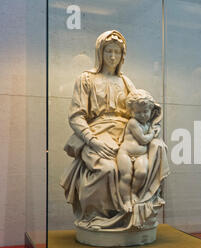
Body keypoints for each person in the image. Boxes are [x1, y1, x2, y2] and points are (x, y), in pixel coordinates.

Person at [60, 30, 170, 231]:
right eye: (108, 51)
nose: (112, 57)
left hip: (128, 134)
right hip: (97, 134)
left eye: (117, 52)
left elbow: (145, 108)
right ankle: (99, 217)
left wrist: (153, 127)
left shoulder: (126, 82)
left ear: (122, 56)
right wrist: (93, 141)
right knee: (108, 169)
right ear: (99, 53)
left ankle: (139, 205)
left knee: (158, 147)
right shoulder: (86, 79)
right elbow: (76, 116)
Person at [117, 90, 160, 213]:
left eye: (145, 111)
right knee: (126, 176)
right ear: (131, 112)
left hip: (141, 155)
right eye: (138, 112)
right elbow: (143, 139)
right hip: (125, 153)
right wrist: (152, 133)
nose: (142, 115)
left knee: (141, 172)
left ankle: (134, 193)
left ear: (151, 110)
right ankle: (126, 200)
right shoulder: (133, 122)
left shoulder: (148, 124)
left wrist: (155, 130)